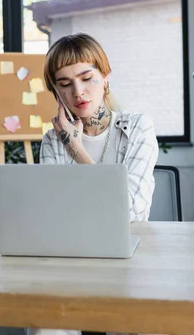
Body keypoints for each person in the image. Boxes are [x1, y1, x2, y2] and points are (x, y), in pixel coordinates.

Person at [40, 32, 159, 223]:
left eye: (86, 78)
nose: (78, 92)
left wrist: (76, 150)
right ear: (56, 92)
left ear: (105, 78)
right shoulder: (53, 140)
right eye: (65, 84)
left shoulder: (138, 128)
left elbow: (130, 211)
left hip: (128, 244)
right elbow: (52, 214)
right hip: (72, 246)